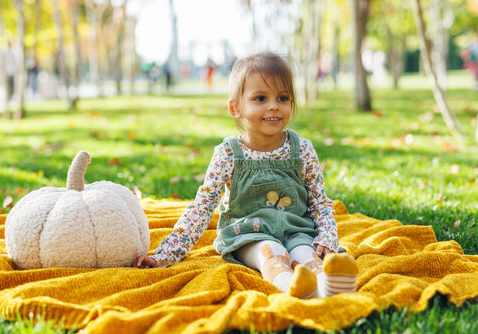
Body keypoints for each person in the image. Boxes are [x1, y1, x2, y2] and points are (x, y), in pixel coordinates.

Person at [134, 51, 358, 299]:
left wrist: (327, 236)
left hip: (297, 231)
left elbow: (319, 201)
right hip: (247, 235)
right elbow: (201, 209)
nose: (273, 105)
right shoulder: (228, 154)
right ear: (236, 107)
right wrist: (165, 254)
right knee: (271, 251)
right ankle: (292, 287)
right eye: (260, 98)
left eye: (283, 97)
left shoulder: (302, 149)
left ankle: (327, 285)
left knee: (305, 253)